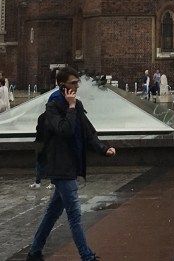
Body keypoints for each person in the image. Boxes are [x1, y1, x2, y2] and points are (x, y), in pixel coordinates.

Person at [26, 66, 115, 261]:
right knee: (74, 214)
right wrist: (71, 107)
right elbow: (64, 130)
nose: (76, 87)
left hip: (70, 165)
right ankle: (86, 256)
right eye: (73, 83)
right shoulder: (53, 107)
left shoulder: (78, 105)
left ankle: (34, 251)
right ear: (62, 86)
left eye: (77, 83)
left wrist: (103, 149)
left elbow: (88, 133)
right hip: (60, 166)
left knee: (52, 213)